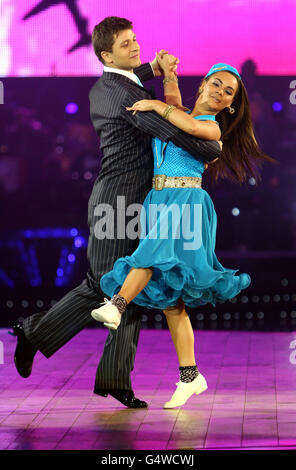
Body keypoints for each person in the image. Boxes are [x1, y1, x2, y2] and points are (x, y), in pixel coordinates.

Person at [11, 16, 221, 409]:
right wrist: (213, 148)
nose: (135, 47)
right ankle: (32, 335)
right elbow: (174, 131)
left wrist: (153, 69)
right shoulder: (123, 95)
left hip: (141, 203)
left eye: (135, 39)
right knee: (101, 286)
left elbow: (131, 78)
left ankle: (115, 379)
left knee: (133, 289)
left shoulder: (110, 84)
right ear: (107, 53)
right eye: (126, 45)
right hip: (117, 203)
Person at [90, 60, 274, 408]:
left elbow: (182, 121)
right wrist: (169, 74)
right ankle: (190, 376)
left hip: (185, 201)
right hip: (160, 200)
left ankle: (116, 305)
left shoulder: (211, 129)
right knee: (173, 301)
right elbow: (176, 105)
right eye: (217, 84)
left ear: (230, 104)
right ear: (204, 83)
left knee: (153, 255)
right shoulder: (183, 112)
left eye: (228, 91)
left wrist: (156, 105)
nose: (220, 92)